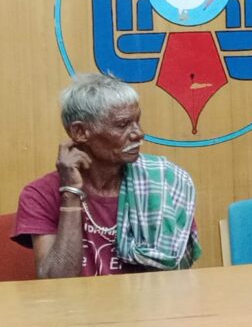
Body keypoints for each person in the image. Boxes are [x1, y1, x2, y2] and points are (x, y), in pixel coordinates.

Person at [12, 74, 200, 278]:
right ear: (80, 132)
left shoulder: (162, 183)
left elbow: (177, 278)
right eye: (123, 125)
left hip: (150, 299)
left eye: (137, 122)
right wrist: (71, 192)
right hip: (76, 300)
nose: (139, 134)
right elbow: (56, 280)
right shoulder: (40, 194)